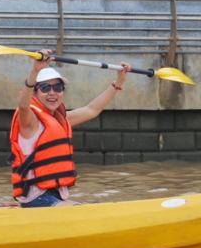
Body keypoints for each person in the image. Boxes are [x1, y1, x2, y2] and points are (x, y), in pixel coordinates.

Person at [9, 52, 131, 207]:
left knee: (89, 208)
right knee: (87, 215)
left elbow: (91, 110)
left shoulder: (58, 121)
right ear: (35, 93)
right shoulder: (29, 121)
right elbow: (23, 105)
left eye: (57, 87)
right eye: (45, 88)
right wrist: (35, 72)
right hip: (37, 199)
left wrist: (118, 81)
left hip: (54, 195)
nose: (52, 92)